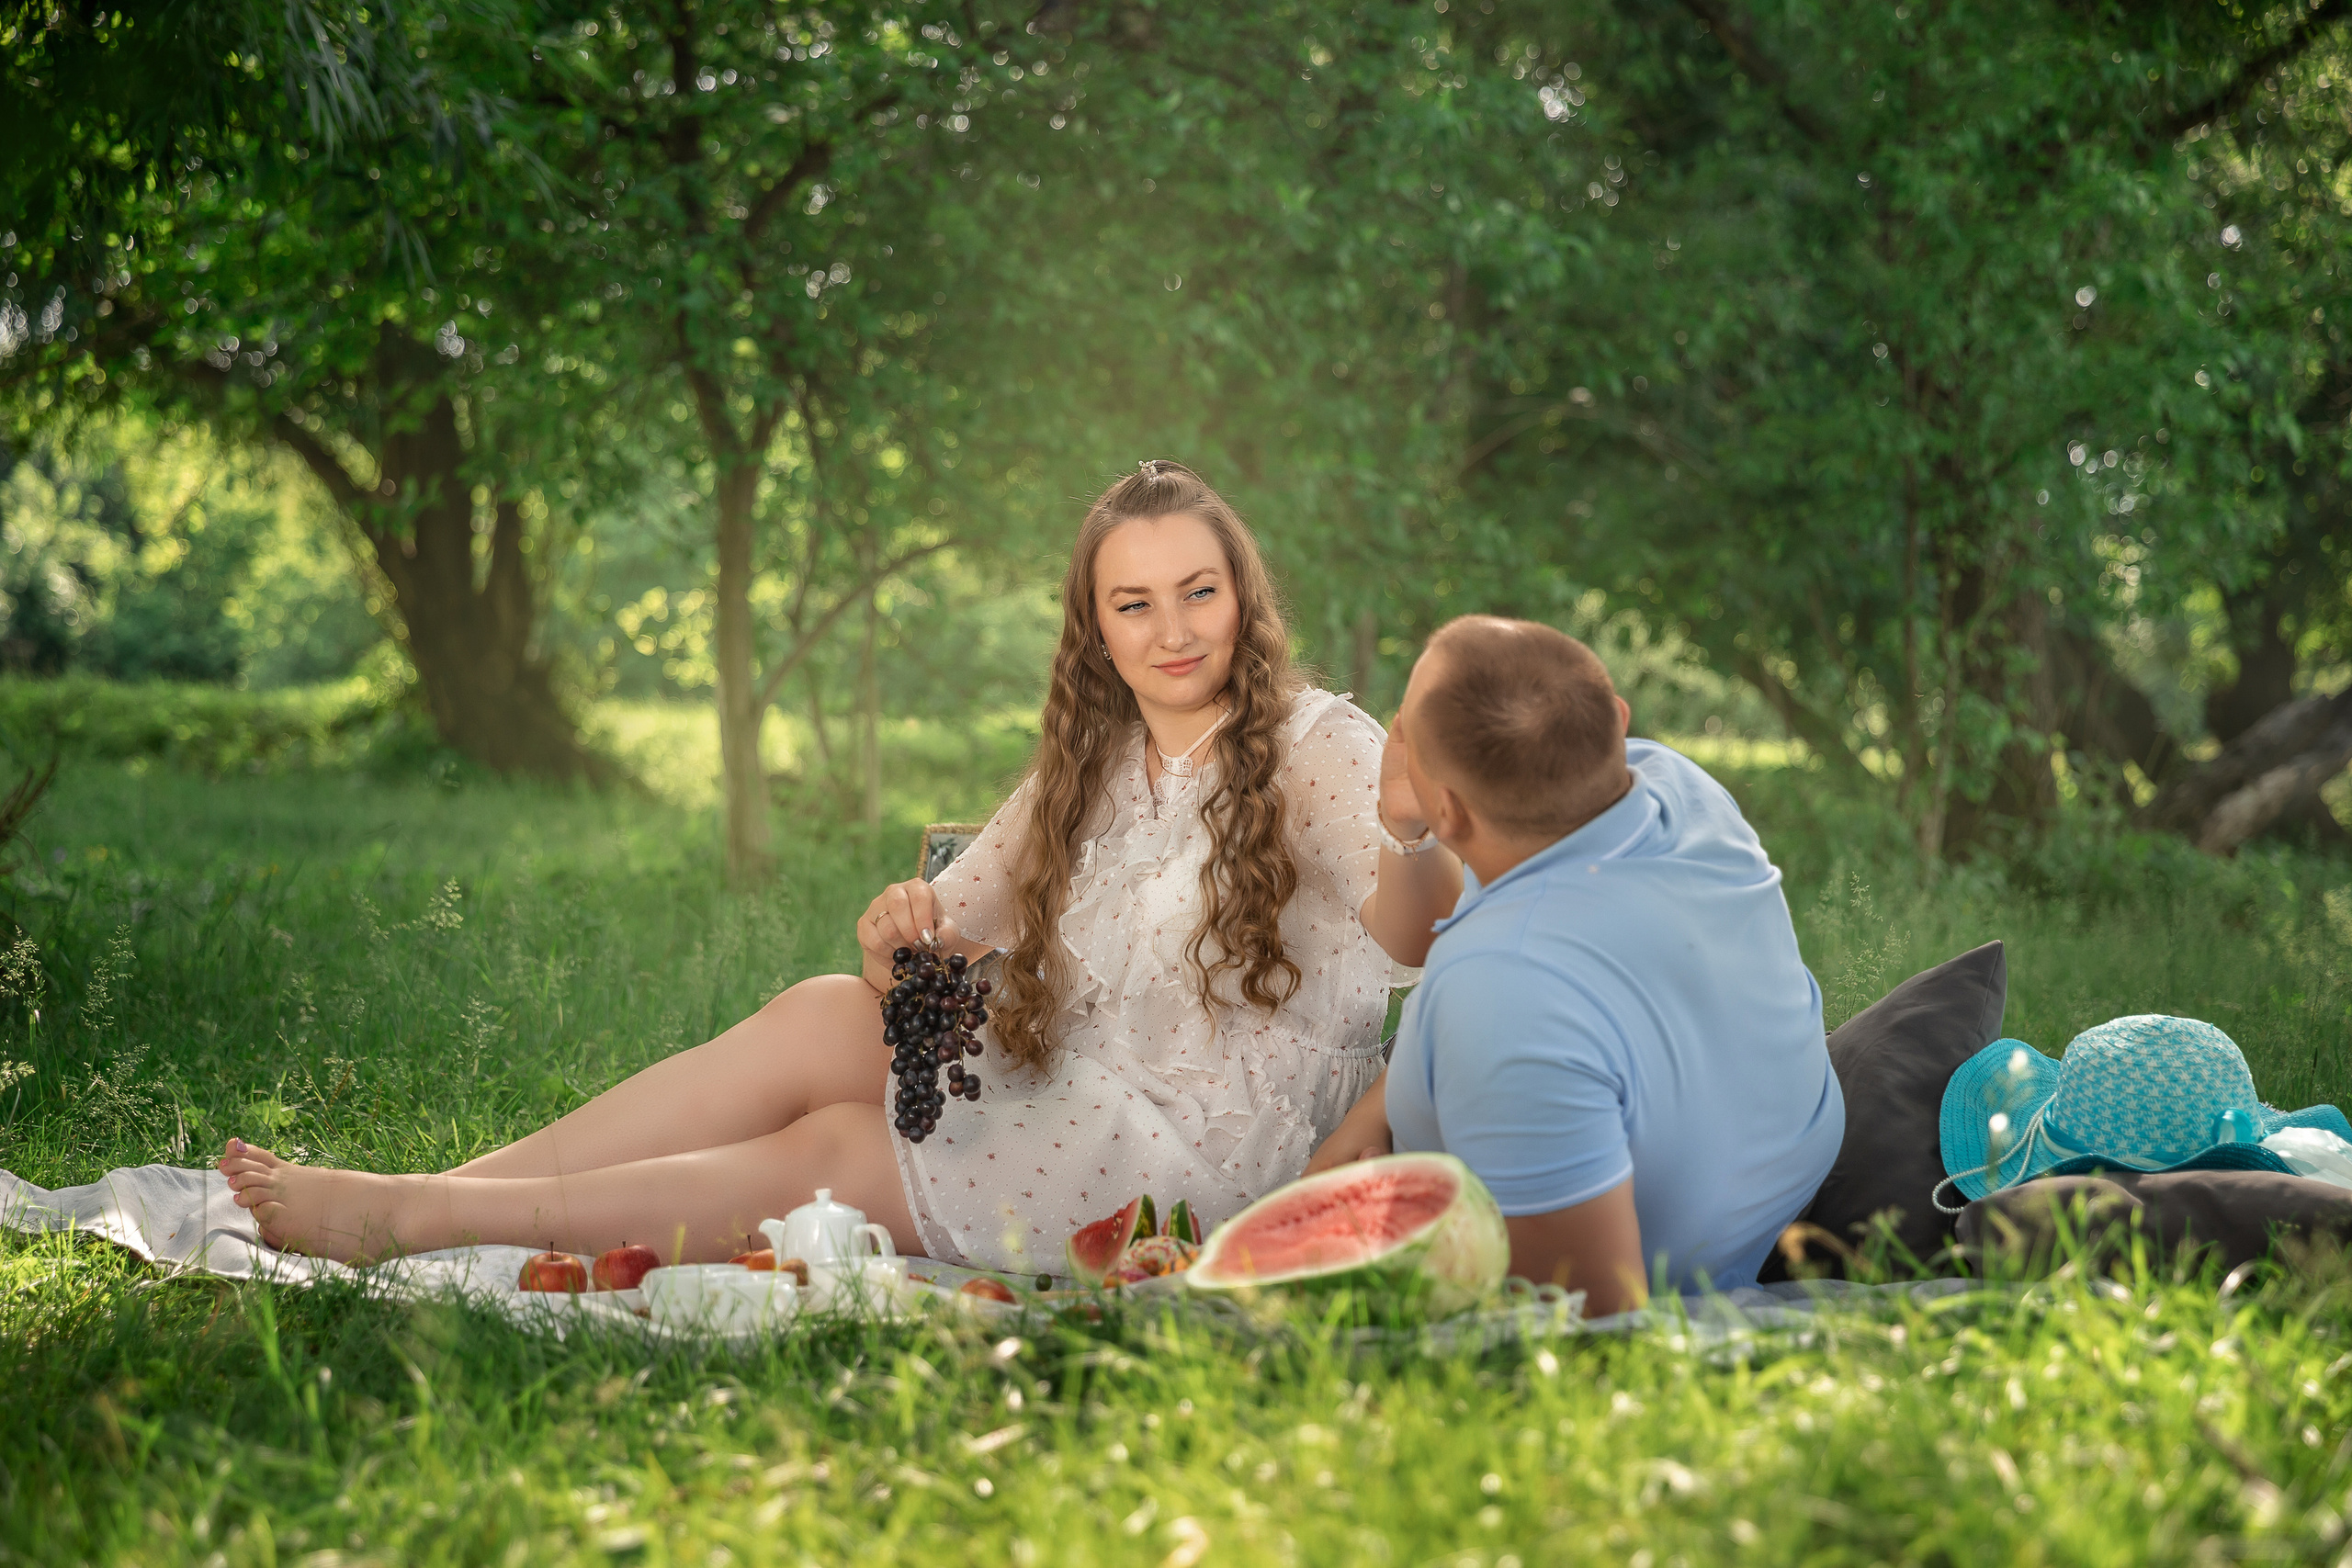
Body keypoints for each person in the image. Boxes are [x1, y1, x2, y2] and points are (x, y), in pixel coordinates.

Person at [218, 461, 1456, 1271]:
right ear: (1098, 628)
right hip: (1079, 1087)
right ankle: (437, 1185)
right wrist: (892, 933)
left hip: (1198, 1166)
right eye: (1134, 604)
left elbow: (1413, 942)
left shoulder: (1320, 745)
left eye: (1199, 591)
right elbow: (936, 936)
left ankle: (422, 1224)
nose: (1174, 630)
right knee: (822, 1012)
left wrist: (1407, 831)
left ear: (1244, 595)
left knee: (841, 1150)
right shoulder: (1096, 760)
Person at [1308, 615, 1844, 1313]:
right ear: (1615, 722)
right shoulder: (1675, 786)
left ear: (1451, 809)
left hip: (1672, 1276)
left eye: (1408, 730)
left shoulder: (1496, 989)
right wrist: (1386, 1100)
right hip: (1774, 1173)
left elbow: (1587, 1317)